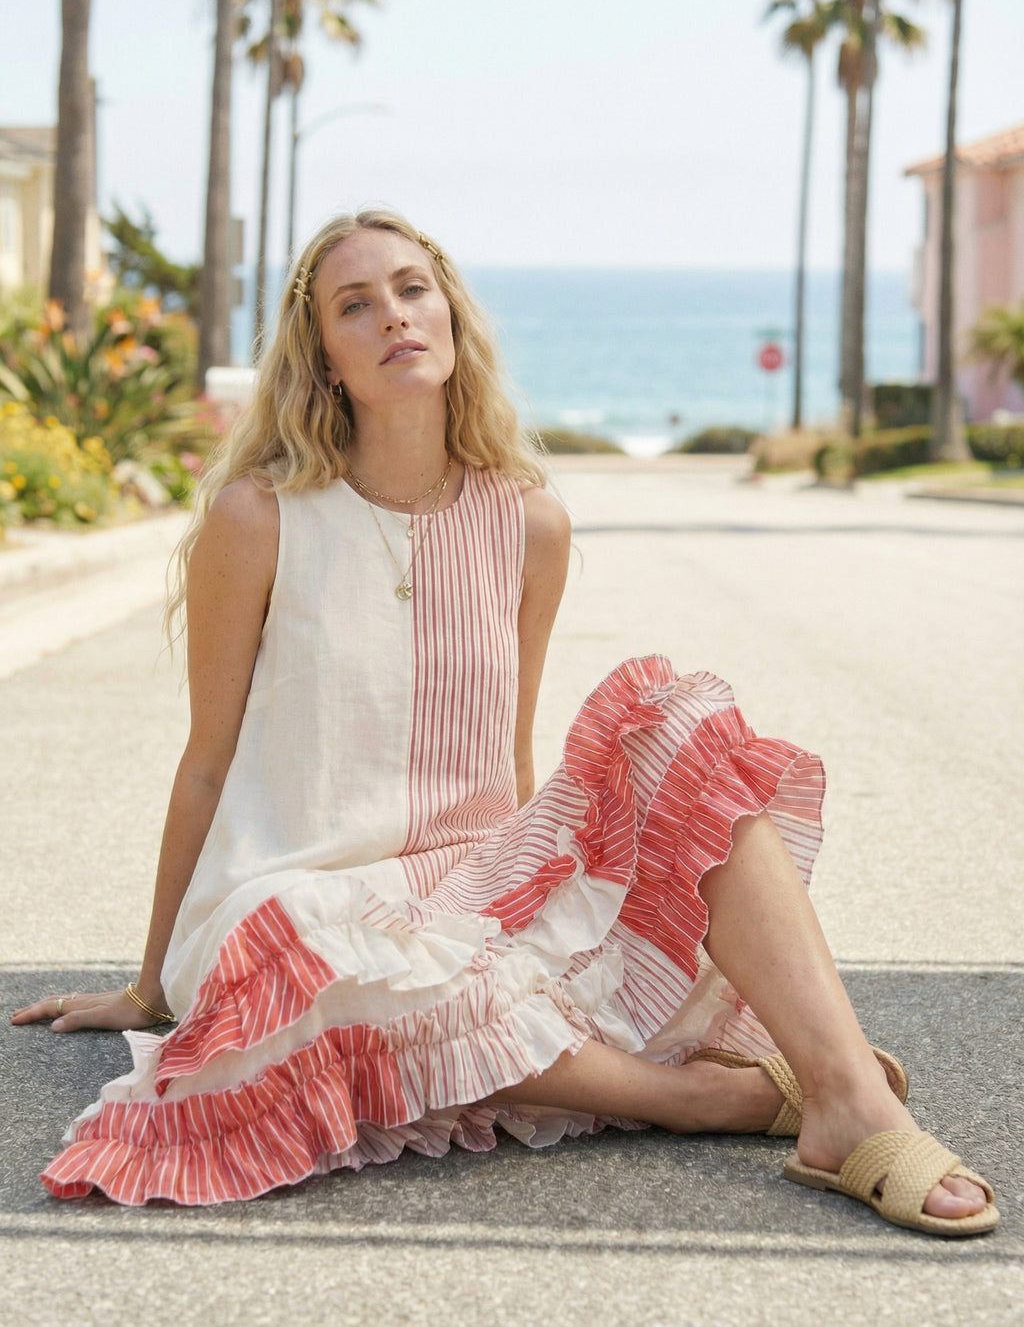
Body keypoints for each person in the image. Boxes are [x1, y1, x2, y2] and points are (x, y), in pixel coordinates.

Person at [12, 210, 997, 1234]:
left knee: (676, 716)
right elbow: (208, 765)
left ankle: (847, 1096)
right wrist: (147, 985)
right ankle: (699, 1100)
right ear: (324, 360)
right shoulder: (259, 518)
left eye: (410, 288)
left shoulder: (528, 521)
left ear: (448, 316)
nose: (392, 315)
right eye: (355, 305)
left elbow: (507, 754)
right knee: (318, 949)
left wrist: (542, 922)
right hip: (293, 901)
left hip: (465, 884)